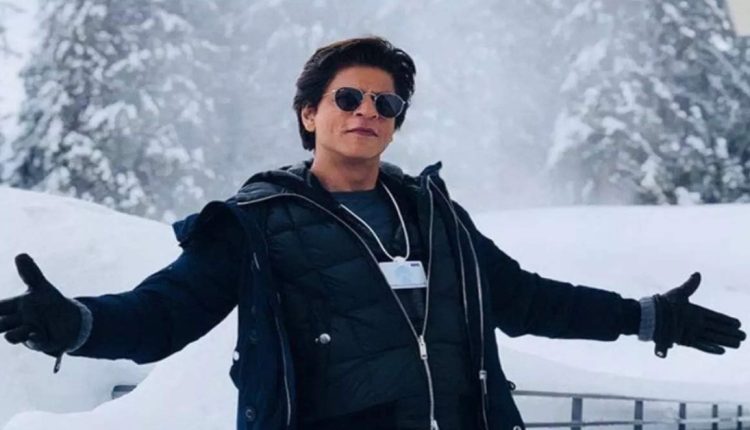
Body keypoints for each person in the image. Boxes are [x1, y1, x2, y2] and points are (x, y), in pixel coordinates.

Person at [0, 36, 745, 430]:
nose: (367, 111)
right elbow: (165, 313)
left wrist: (648, 317)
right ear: (309, 114)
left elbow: (525, 299)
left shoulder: (437, 217)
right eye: (348, 96)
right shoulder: (255, 223)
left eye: (385, 103)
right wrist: (79, 325)